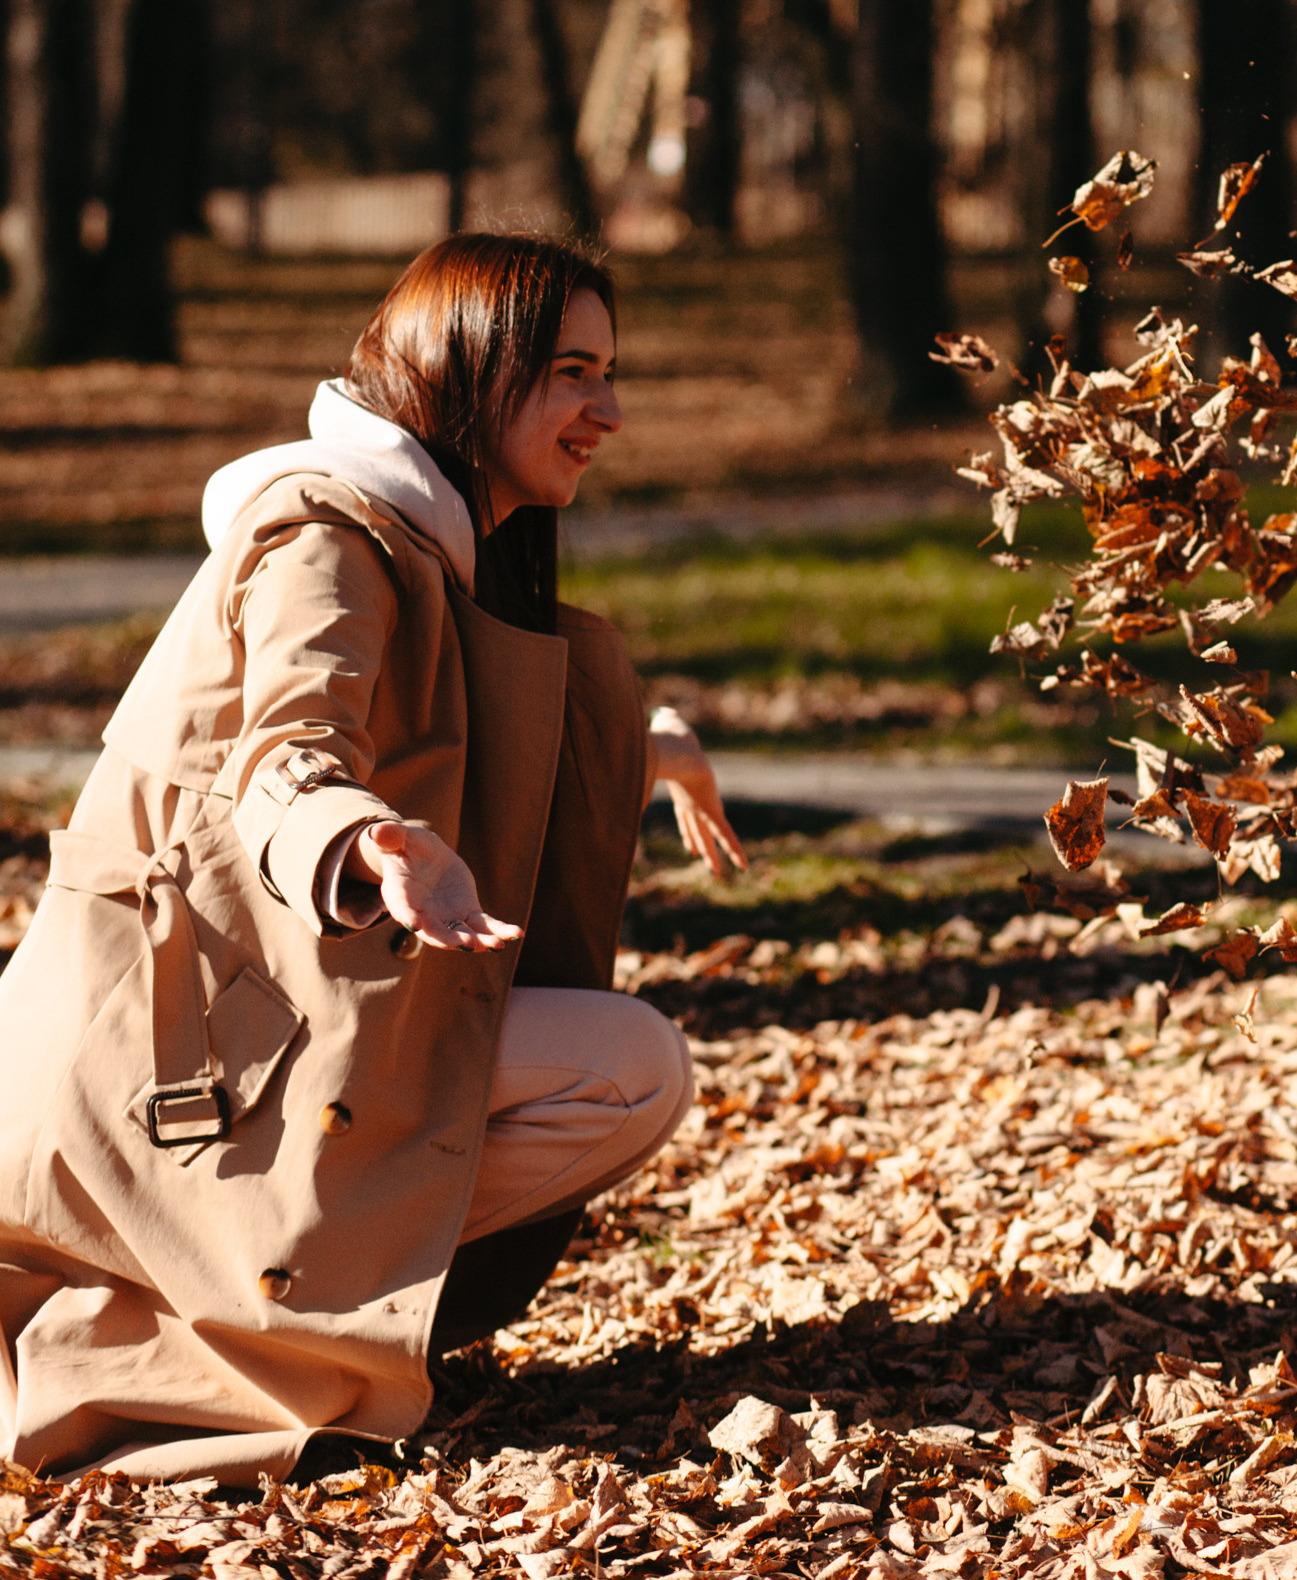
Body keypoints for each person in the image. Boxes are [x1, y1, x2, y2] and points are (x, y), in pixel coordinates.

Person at [0, 233, 744, 1484]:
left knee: (627, 1068)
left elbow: (458, 716)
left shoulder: (430, 539)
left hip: (255, 1039)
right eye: (572, 373)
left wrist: (642, 747)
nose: (607, 412)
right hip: (170, 1069)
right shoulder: (324, 537)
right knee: (631, 1070)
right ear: (469, 371)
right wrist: (368, 840)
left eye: (609, 375)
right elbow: (288, 748)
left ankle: (283, 1312)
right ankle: (172, 1337)